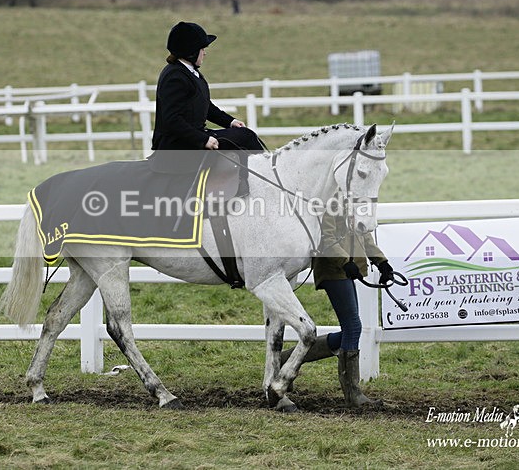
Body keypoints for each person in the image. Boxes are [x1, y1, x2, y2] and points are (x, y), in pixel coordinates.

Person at [281, 210, 395, 408]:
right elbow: (327, 239)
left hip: (347, 268)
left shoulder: (353, 199)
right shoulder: (330, 201)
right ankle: (353, 393)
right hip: (333, 269)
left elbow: (363, 233)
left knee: (351, 329)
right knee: (353, 327)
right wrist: (346, 262)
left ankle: (287, 359)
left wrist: (381, 262)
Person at [151, 21, 263, 195]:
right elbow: (171, 120)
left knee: (246, 134)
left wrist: (230, 121)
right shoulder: (174, 76)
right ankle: (249, 185)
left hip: (193, 138)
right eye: (202, 49)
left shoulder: (191, 73)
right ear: (191, 51)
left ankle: (251, 180)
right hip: (178, 146)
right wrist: (202, 139)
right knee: (245, 137)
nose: (204, 53)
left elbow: (206, 106)